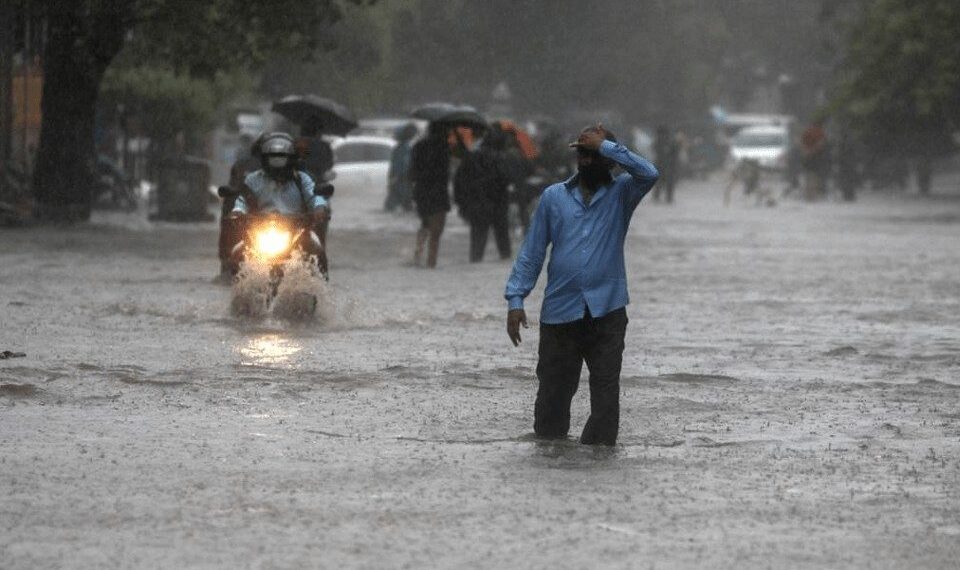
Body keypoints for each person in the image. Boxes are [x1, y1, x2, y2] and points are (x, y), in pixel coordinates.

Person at [504, 125, 659, 446]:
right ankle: (553, 460)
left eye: (593, 154)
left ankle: (597, 463)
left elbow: (650, 173)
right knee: (552, 403)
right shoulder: (553, 197)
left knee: (605, 400)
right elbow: (532, 252)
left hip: (608, 312)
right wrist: (516, 298)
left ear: (609, 159)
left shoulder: (622, 194)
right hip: (561, 313)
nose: (586, 160)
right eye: (582, 153)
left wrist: (608, 147)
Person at [228, 132, 330, 276]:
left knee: (317, 251)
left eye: (281, 158)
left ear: (291, 159)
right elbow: (242, 200)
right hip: (259, 230)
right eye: (273, 158)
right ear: (264, 159)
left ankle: (318, 291)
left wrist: (319, 208)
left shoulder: (302, 179)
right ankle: (240, 292)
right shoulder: (253, 179)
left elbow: (314, 195)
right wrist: (238, 211)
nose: (277, 163)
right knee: (237, 253)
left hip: (298, 232)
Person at [454, 125, 512, 262]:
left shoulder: (471, 157)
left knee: (478, 238)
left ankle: (475, 260)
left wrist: (461, 203)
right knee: (502, 237)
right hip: (498, 202)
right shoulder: (501, 159)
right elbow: (506, 179)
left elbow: (459, 181)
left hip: (478, 202)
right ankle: (504, 259)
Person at [409, 122, 453, 268]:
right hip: (438, 193)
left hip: (421, 193)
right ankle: (431, 262)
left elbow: (411, 173)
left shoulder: (418, 146)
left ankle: (418, 254)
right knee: (436, 231)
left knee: (425, 224)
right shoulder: (444, 148)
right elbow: (446, 174)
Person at [217, 134, 261, 279]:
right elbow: (232, 187)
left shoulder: (285, 171)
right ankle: (227, 265)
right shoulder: (242, 165)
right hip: (241, 212)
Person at [385, 123, 418, 212]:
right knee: (407, 205)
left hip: (400, 182)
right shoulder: (406, 148)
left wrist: (394, 179)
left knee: (390, 207)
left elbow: (401, 165)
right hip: (405, 182)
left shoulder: (402, 149)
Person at [652, 125, 679, 203]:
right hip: (665, 164)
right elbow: (675, 153)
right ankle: (667, 197)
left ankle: (659, 197)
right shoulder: (669, 141)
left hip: (663, 164)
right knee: (666, 182)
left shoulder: (660, 141)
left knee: (661, 182)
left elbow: (654, 149)